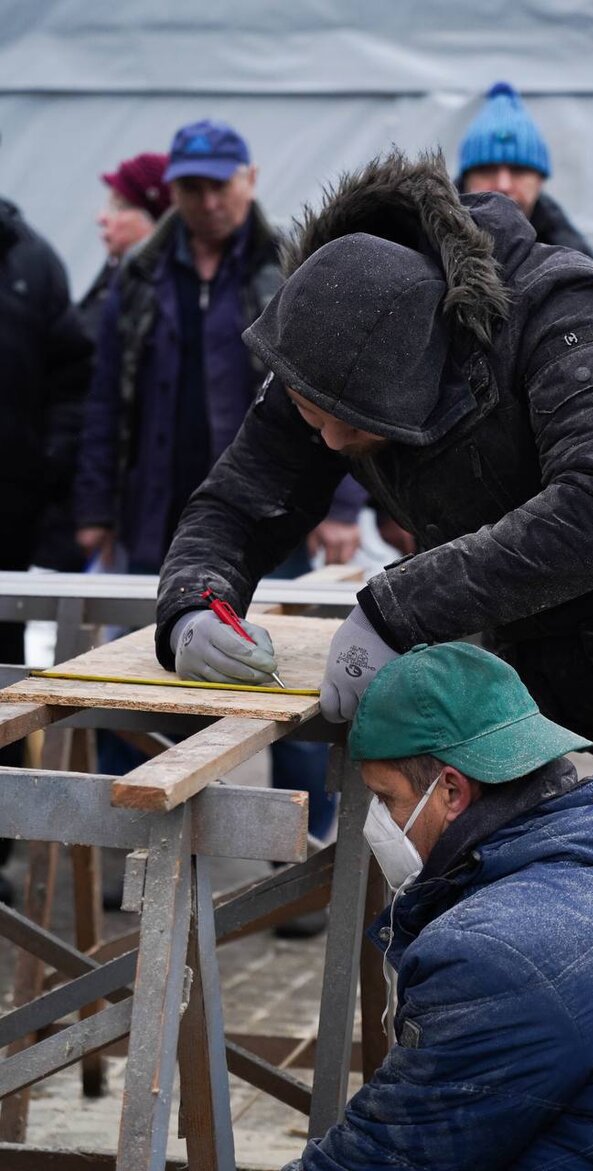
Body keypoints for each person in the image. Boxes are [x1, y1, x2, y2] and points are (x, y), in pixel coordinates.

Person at [155, 149, 593, 979]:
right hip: (582, 674)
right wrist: (195, 600)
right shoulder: (331, 330)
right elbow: (239, 500)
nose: (332, 444)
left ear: (423, 368)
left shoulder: (565, 311)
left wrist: (396, 607)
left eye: (352, 426)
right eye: (316, 419)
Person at [280, 641, 593, 1169]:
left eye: (386, 799)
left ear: (451, 791)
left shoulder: (497, 947)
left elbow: (387, 1157)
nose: (378, 821)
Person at [75, 119, 363, 874]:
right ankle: (134, 844)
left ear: (250, 178)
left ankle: (302, 855)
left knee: (292, 672)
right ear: (172, 189)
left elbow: (344, 388)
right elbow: (104, 400)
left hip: (271, 507)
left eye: (217, 184)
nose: (204, 200)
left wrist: (339, 509)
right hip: (157, 505)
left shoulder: (288, 271)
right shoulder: (139, 273)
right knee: (141, 667)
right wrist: (93, 510)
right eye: (190, 186)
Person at [0, 185, 93, 901]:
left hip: (10, 517)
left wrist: (50, 465)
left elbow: (73, 377)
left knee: (2, 693)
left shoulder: (32, 261)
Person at [456, 81, 593, 258]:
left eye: (518, 170)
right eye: (487, 170)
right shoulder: (424, 245)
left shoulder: (575, 259)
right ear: (465, 180)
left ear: (540, 181)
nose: (503, 185)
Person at [79, 151, 171, 342]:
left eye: (119, 207)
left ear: (156, 222)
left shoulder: (161, 295)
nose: (101, 218)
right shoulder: (116, 270)